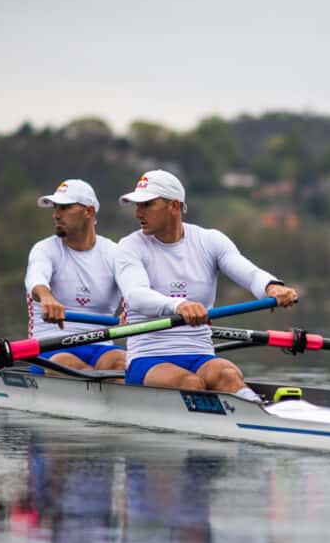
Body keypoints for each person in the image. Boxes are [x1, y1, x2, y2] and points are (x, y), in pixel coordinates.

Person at [113, 170, 298, 400]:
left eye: (147, 204)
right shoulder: (129, 247)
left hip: (199, 354)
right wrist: (179, 305)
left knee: (229, 375)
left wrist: (272, 287)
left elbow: (249, 274)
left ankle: (261, 417)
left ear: (174, 205)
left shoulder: (210, 241)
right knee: (190, 383)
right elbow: (136, 295)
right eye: (136, 205)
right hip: (149, 356)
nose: (138, 213)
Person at [24, 179, 126, 372]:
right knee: (69, 366)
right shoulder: (45, 249)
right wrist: (47, 298)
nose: (56, 215)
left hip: (101, 347)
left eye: (65, 208)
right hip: (50, 347)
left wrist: (131, 310)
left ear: (89, 211)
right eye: (55, 208)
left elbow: (134, 289)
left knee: (122, 362)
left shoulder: (114, 252)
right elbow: (36, 279)